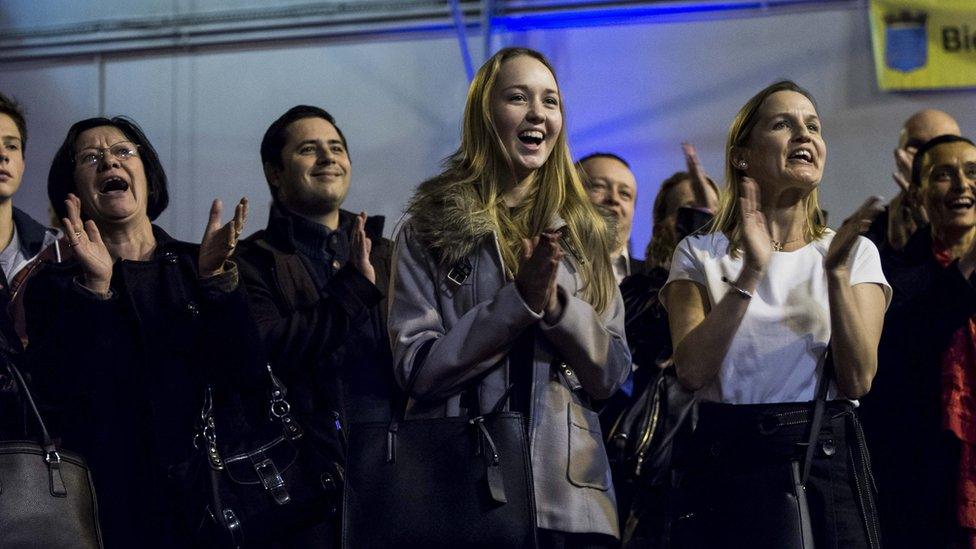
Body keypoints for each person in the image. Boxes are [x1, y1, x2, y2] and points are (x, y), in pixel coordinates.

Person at [388, 47, 631, 547]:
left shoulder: (586, 234)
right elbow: (419, 369)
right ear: (484, 115)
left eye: (551, 101)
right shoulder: (430, 230)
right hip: (463, 491)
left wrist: (559, 308)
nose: (538, 113)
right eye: (518, 98)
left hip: (570, 502)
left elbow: (611, 374)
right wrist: (517, 303)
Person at [662, 80, 890, 548]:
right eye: (783, 124)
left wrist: (835, 277)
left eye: (813, 126)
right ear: (743, 155)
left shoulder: (854, 252)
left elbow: (859, 379)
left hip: (823, 464)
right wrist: (752, 271)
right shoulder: (699, 253)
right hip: (727, 465)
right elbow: (691, 370)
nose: (805, 135)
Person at [23, 116, 263, 548]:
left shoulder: (198, 264)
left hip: (209, 498)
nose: (108, 161)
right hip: (108, 507)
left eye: (122, 152)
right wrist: (94, 290)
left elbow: (248, 376)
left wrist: (217, 282)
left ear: (147, 176)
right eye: (91, 157)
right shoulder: (54, 285)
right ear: (72, 191)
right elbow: (55, 398)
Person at [233, 105, 394, 545]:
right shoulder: (251, 262)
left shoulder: (388, 254)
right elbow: (271, 347)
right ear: (275, 173)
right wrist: (354, 290)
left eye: (336, 148)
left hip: (394, 477)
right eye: (309, 149)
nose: (328, 158)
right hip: (303, 492)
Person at [859, 134, 976, 548]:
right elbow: (906, 348)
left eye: (972, 172)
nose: (962, 185)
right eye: (944, 175)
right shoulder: (895, 271)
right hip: (924, 491)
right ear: (918, 193)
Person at [611, 148, 720, 547]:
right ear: (660, 224)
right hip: (658, 474)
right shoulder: (640, 288)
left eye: (712, 215)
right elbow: (658, 325)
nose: (702, 223)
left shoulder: (748, 287)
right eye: (689, 212)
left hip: (727, 464)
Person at [0, 92, 61, 439]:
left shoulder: (53, 250)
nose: (2, 156)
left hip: (37, 443)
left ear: (23, 161)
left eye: (12, 146)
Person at [865, 109, 961, 251]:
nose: (928, 156)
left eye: (941, 147)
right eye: (916, 147)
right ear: (899, 157)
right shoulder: (870, 226)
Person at [579, 152, 641, 282]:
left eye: (624, 193)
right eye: (599, 186)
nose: (613, 198)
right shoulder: (542, 266)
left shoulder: (657, 284)